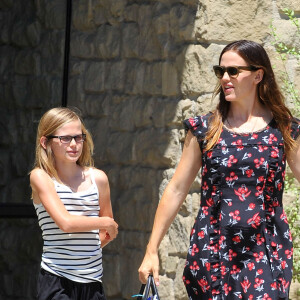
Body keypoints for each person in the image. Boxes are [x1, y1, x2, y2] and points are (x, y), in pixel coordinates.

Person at [138, 40, 300, 299]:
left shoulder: (284, 129)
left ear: (258, 75)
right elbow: (177, 189)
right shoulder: (205, 129)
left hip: (267, 250)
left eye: (233, 71)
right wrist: (151, 249)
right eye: (220, 71)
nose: (225, 78)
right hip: (213, 249)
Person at [30, 107, 118, 300]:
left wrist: (84, 252)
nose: (74, 145)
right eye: (65, 138)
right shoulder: (41, 177)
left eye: (78, 138)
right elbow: (66, 223)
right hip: (56, 280)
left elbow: (108, 233)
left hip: (93, 282)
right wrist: (104, 222)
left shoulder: (98, 178)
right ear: (45, 142)